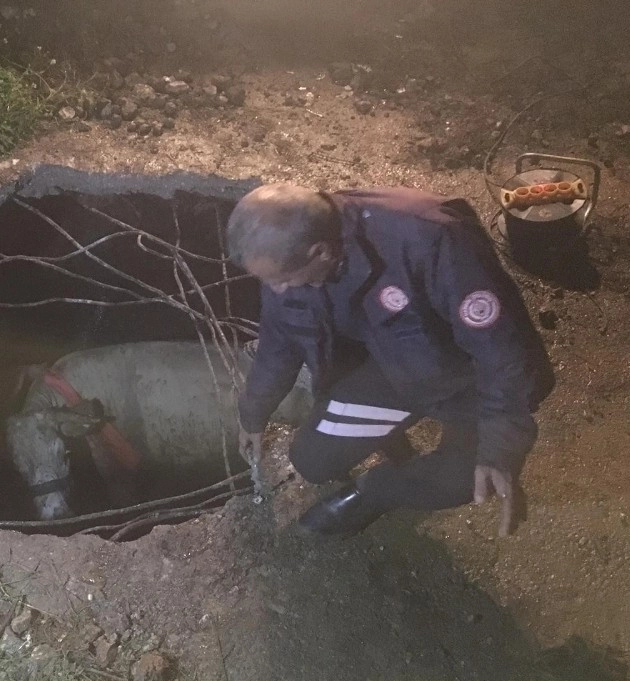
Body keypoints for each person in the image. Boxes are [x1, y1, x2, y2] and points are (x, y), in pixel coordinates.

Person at [228, 183, 554, 537]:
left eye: (282, 280)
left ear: (319, 252)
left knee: (471, 479)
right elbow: (279, 343)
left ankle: (376, 491)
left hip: (467, 380)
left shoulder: (428, 239)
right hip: (396, 372)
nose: (275, 290)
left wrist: (500, 443)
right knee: (313, 461)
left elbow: (499, 347)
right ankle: (392, 440)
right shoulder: (286, 263)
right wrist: (253, 413)